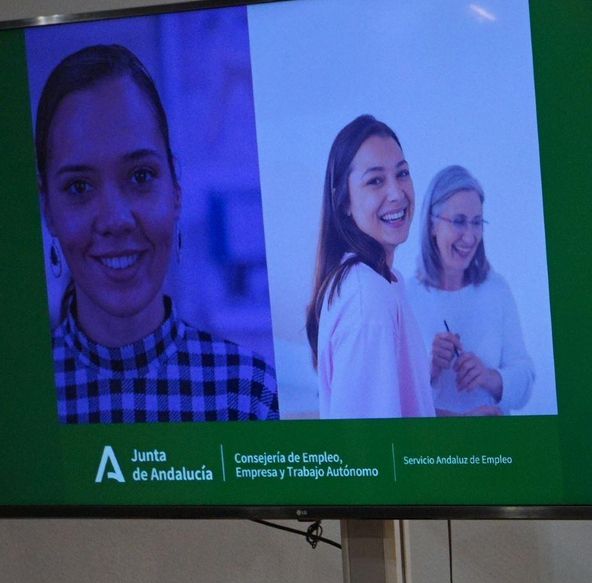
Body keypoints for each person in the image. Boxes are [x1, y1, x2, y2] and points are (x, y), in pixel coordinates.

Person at [36, 44, 277, 423]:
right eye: (80, 187)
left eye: (141, 176)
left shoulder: (247, 392)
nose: (115, 219)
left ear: (175, 190)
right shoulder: (19, 397)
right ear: (49, 208)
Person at [305, 115, 434, 419]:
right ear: (344, 202)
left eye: (402, 173)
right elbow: (369, 453)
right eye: (375, 180)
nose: (396, 192)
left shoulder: (380, 283)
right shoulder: (368, 300)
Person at [408, 165, 534, 416]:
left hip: (493, 449)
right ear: (432, 226)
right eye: (459, 222)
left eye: (477, 223)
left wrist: (489, 377)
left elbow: (525, 382)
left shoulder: (496, 290)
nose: (470, 236)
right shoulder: (407, 297)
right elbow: (396, 398)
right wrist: (430, 369)